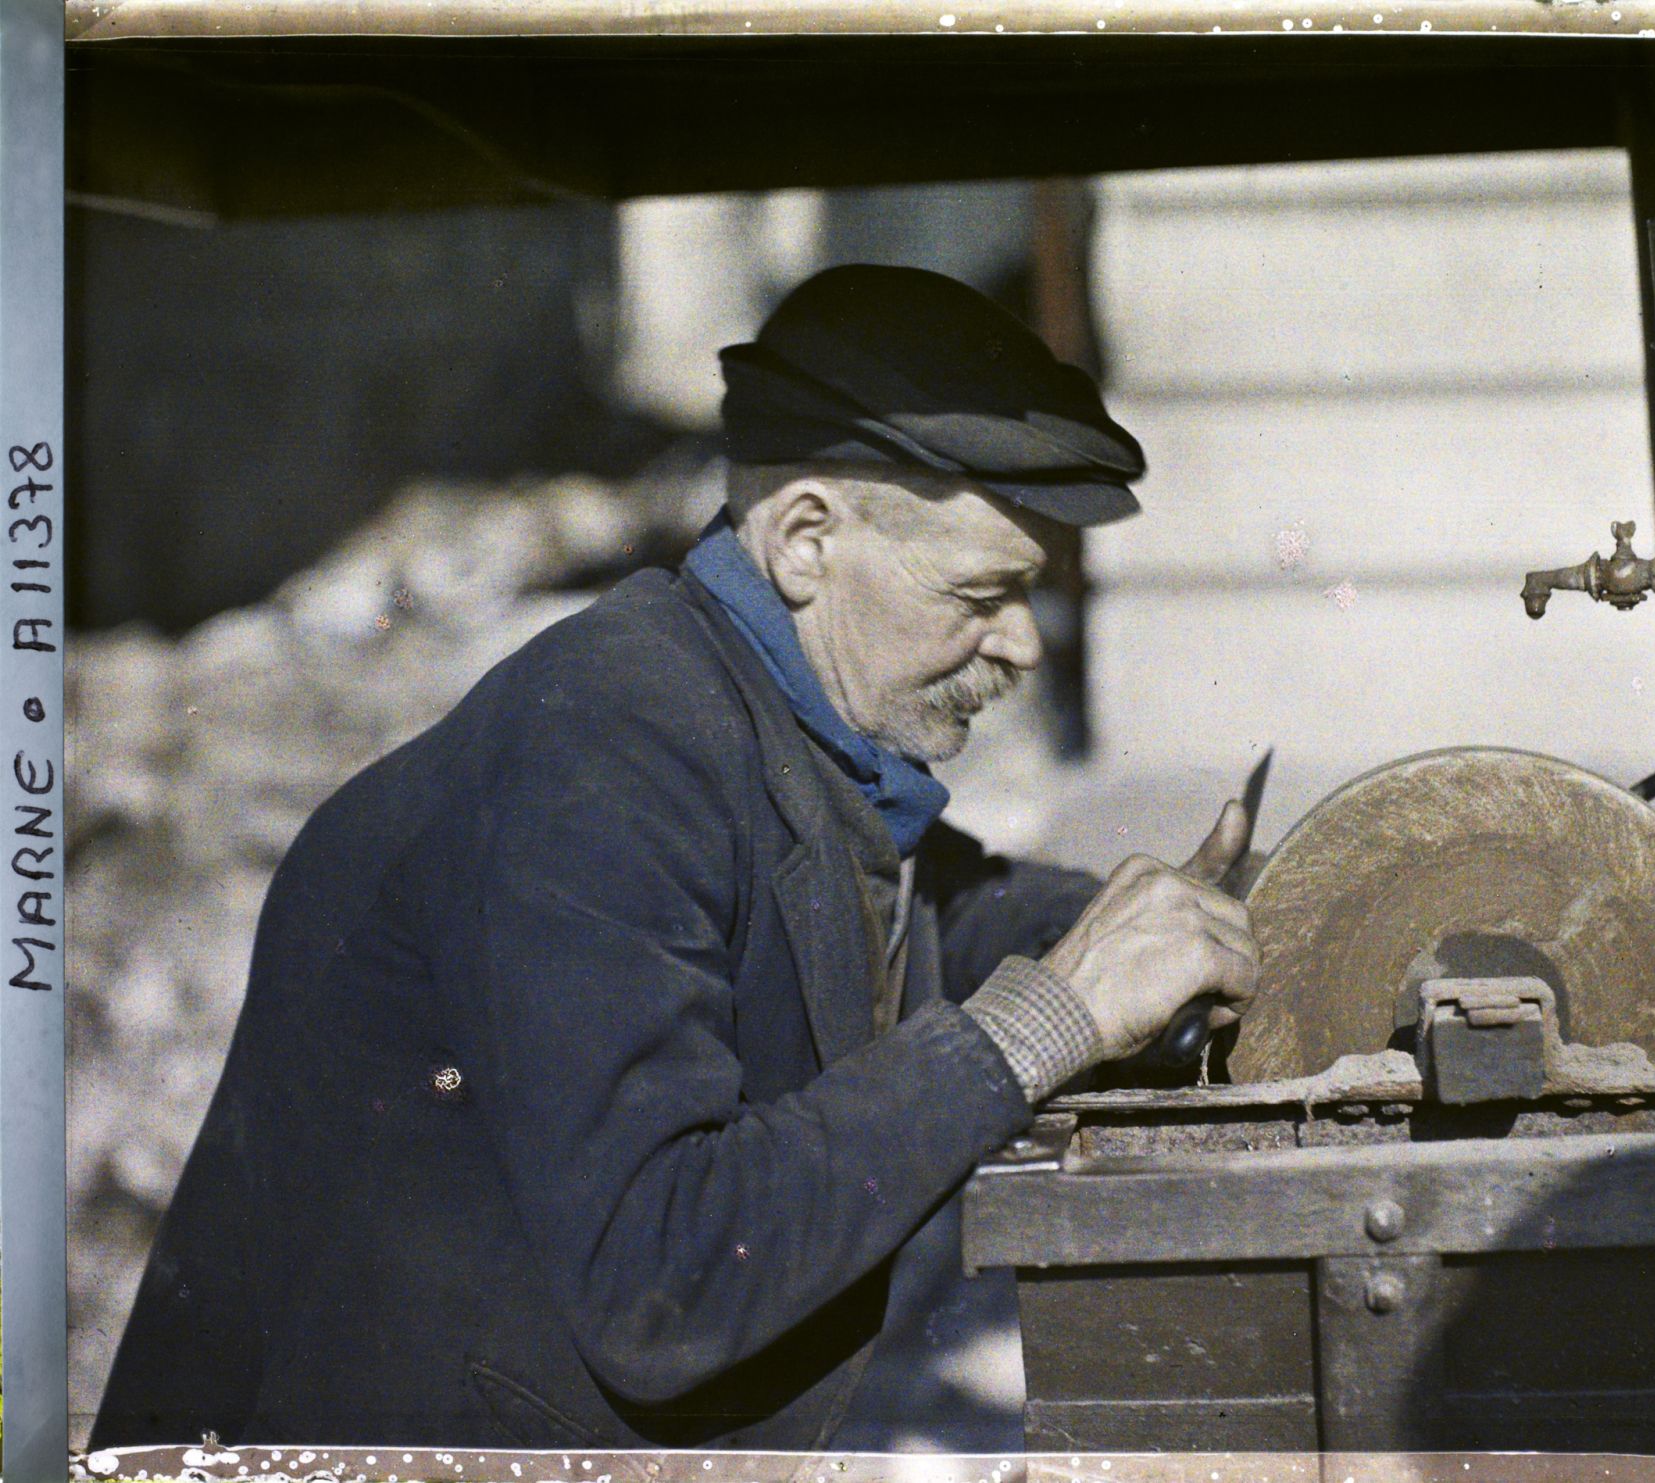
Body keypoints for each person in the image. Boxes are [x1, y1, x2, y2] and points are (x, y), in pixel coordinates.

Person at [91, 265, 1260, 1453]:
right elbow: (662, 1273)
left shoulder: (763, 721)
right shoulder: (605, 739)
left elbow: (927, 907)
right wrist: (1049, 1016)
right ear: (806, 539)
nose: (1019, 642)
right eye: (981, 592)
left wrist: (1187, 926)